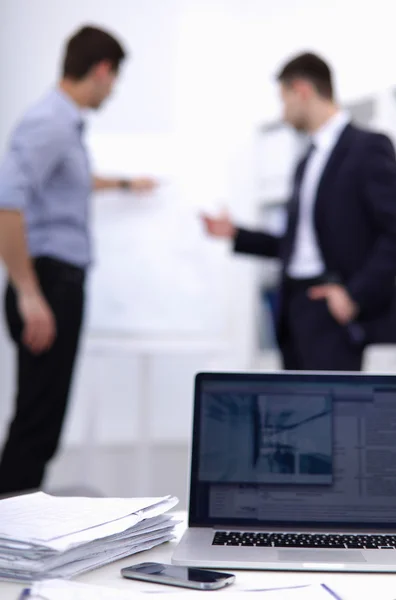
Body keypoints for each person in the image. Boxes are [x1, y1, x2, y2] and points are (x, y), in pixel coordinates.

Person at [0, 25, 157, 495]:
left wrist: (127, 184)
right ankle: (10, 541)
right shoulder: (51, 120)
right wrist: (29, 294)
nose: (113, 90)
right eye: (115, 79)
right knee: (36, 428)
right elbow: (6, 202)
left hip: (53, 282)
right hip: (47, 284)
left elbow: (71, 182)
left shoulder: (62, 124)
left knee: (39, 424)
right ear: (102, 70)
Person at [202, 52, 396, 371]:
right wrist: (236, 234)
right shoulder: (305, 162)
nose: (284, 112)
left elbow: (393, 232)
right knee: (294, 417)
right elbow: (295, 246)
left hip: (335, 312)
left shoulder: (367, 147)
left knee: (333, 418)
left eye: (284, 99)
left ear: (302, 90)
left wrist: (353, 295)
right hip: (294, 310)